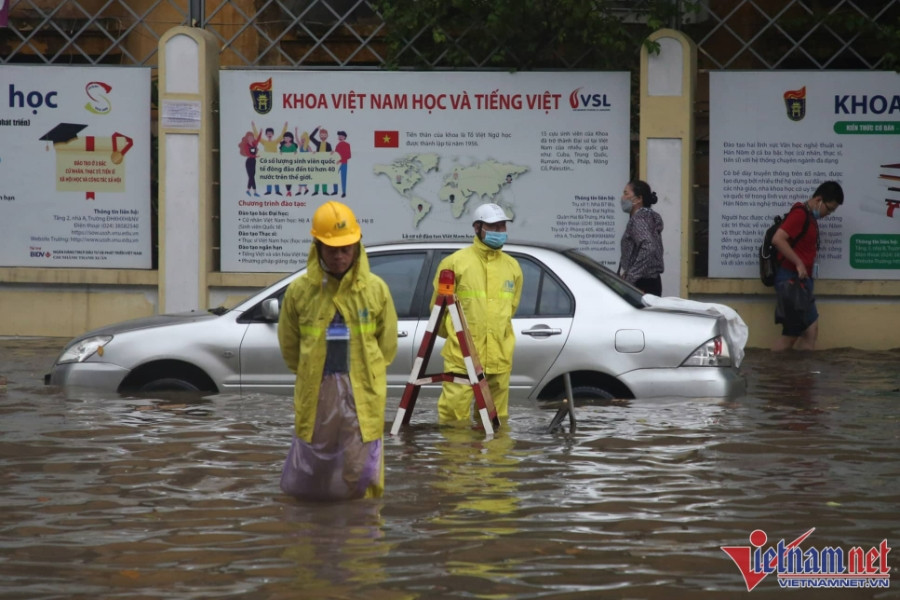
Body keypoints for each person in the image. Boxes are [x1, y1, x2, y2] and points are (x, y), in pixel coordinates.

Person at [278, 201, 398, 500]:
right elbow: (290, 347)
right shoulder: (300, 292)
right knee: (313, 471)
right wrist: (314, 378)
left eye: (347, 248)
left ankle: (359, 541)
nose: (340, 256)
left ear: (358, 245)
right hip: (317, 394)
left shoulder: (375, 289)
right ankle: (318, 537)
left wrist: (364, 378)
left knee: (361, 474)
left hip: (362, 396)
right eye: (332, 249)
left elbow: (387, 346)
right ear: (317, 247)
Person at [430, 203, 523, 423]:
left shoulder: (513, 268)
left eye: (502, 227)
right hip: (461, 356)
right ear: (477, 228)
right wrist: (456, 338)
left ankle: (492, 457)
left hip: (499, 356)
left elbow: (511, 309)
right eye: (493, 227)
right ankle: (456, 457)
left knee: (496, 420)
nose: (499, 232)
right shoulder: (454, 263)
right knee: (454, 418)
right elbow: (438, 312)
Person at [771, 180, 844, 352]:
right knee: (791, 334)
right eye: (830, 208)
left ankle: (800, 374)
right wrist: (798, 263)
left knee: (810, 331)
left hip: (801, 282)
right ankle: (774, 373)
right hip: (791, 281)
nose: (829, 213)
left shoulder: (810, 217)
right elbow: (778, 239)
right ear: (819, 199)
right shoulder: (800, 214)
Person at [618, 179, 664, 296]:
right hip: (650, 281)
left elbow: (648, 246)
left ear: (638, 199)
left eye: (626, 193)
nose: (623, 198)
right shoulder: (647, 217)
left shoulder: (639, 219)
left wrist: (631, 276)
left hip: (642, 284)